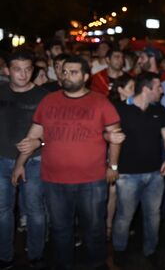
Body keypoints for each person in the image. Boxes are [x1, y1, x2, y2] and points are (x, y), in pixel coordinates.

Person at [12, 55, 124, 269]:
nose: (67, 76)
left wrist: (113, 166)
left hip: (91, 181)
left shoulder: (100, 102)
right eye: (64, 72)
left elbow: (115, 136)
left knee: (93, 230)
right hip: (55, 180)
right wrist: (20, 163)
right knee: (60, 230)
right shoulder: (49, 100)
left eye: (73, 72)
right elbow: (35, 133)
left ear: (85, 76)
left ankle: (97, 265)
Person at [112, 72, 165, 264]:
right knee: (124, 216)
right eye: (158, 87)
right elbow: (109, 137)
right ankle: (119, 250)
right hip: (127, 175)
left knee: (153, 216)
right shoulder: (120, 110)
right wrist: (112, 166)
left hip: (155, 174)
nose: (162, 91)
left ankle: (150, 250)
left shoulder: (160, 111)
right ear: (147, 89)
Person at [0, 51, 49, 269]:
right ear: (6, 71)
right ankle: (5, 256)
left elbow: (56, 131)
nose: (24, 74)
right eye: (18, 69)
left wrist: (40, 143)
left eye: (28, 69)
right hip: (1, 160)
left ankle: (36, 255)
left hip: (35, 162)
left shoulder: (43, 97)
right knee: (2, 210)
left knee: (34, 210)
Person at [105, 75, 135, 242]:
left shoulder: (135, 107)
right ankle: (108, 225)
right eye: (131, 87)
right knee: (113, 192)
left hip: (129, 153)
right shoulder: (112, 108)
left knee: (126, 193)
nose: (134, 91)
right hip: (114, 154)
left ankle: (122, 225)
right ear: (120, 89)